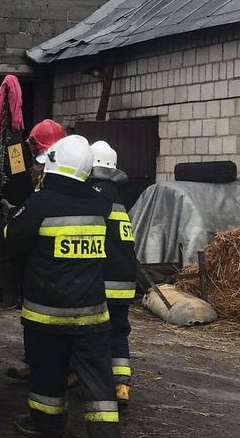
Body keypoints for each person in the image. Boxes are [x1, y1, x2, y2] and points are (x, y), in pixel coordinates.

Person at [7, 135, 121, 438]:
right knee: (97, 378)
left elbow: (14, 240)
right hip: (92, 314)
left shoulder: (41, 202)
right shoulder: (101, 203)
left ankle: (46, 423)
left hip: (47, 315)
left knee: (47, 372)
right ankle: (105, 432)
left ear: (53, 165)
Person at [6, 118, 68, 380]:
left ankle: (57, 369)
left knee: (50, 316)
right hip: (44, 253)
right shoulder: (41, 171)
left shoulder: (63, 173)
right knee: (33, 313)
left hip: (54, 253)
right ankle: (35, 361)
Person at [88, 141, 136, 410]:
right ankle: (122, 385)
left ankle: (86, 379)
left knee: (93, 331)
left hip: (104, 279)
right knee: (118, 330)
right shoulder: (117, 194)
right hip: (125, 279)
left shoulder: (95, 193)